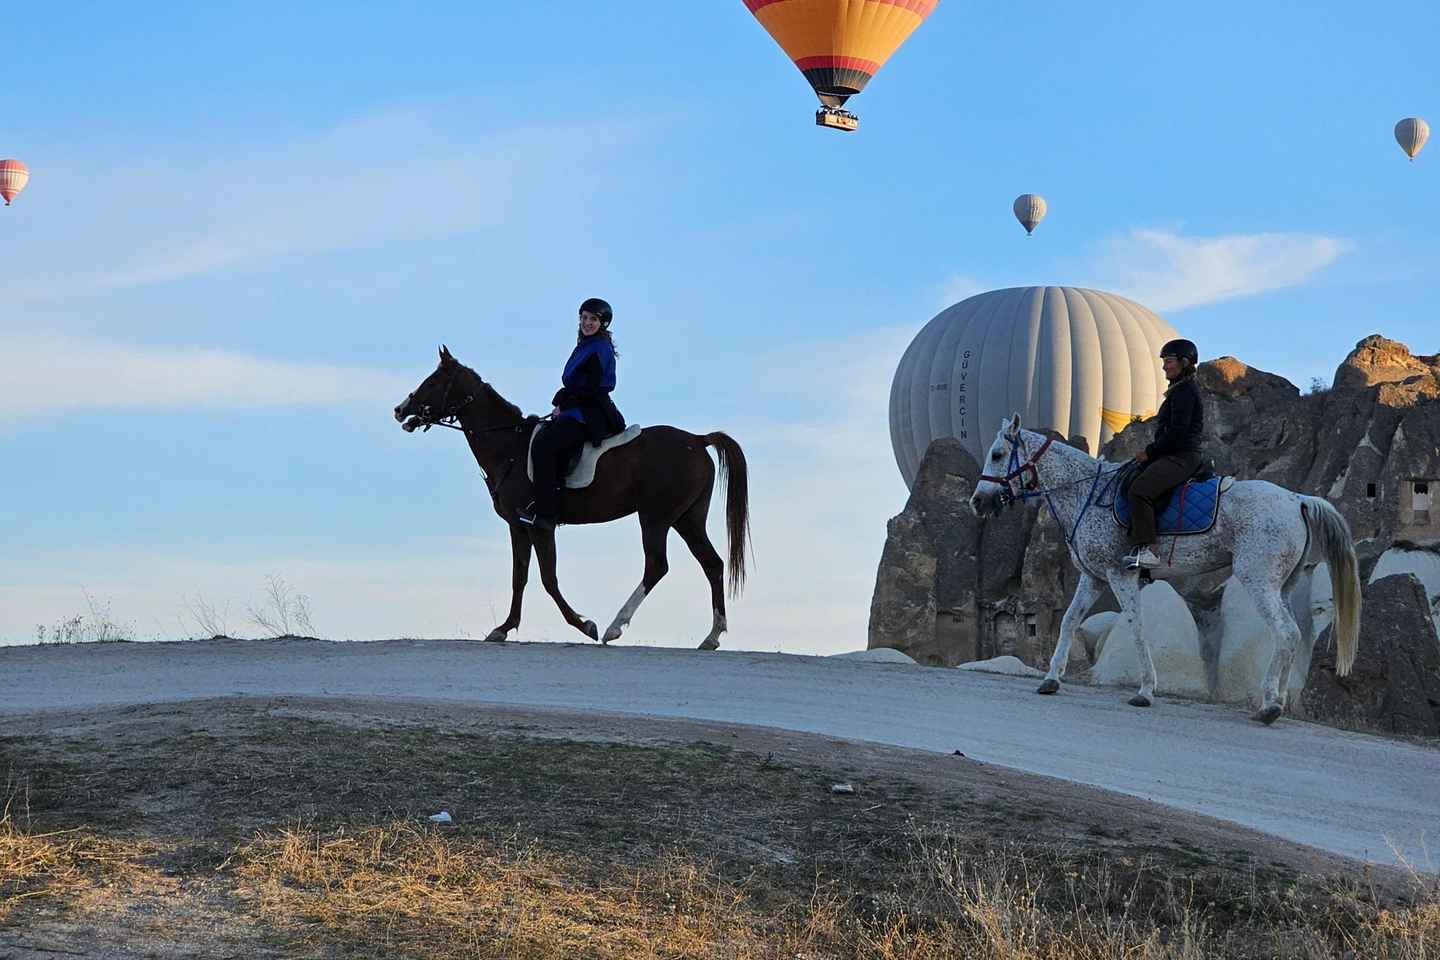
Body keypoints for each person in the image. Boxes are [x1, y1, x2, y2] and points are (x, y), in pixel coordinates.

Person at [517, 297, 626, 530]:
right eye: (584, 318)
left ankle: (546, 515)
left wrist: (565, 405)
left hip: (588, 412)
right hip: (578, 408)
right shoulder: (586, 345)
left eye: (593, 319)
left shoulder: (597, 348)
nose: (587, 323)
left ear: (603, 323)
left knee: (543, 445)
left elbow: (592, 388)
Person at [1125, 339, 1205, 569]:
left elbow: (1177, 433)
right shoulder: (1179, 390)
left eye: (1168, 361)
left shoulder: (1185, 392)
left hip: (1182, 457)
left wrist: (1149, 452)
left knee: (1139, 491)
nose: (1164, 367)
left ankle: (1148, 549)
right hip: (1174, 454)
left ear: (1184, 362)